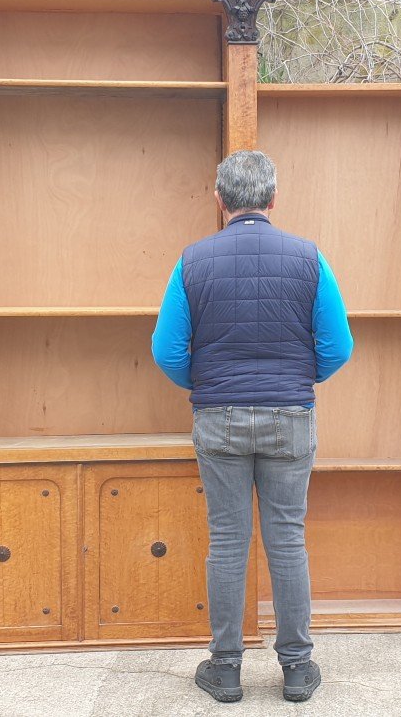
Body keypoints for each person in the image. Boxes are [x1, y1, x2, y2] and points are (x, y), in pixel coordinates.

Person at [151, 150, 353, 704]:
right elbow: (339, 347)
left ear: (220, 201)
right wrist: (293, 378)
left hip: (218, 417)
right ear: (272, 200)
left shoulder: (192, 260)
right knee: (287, 539)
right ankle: (296, 669)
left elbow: (166, 351)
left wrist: (211, 382)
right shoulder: (309, 258)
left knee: (227, 541)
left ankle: (226, 668)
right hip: (291, 417)